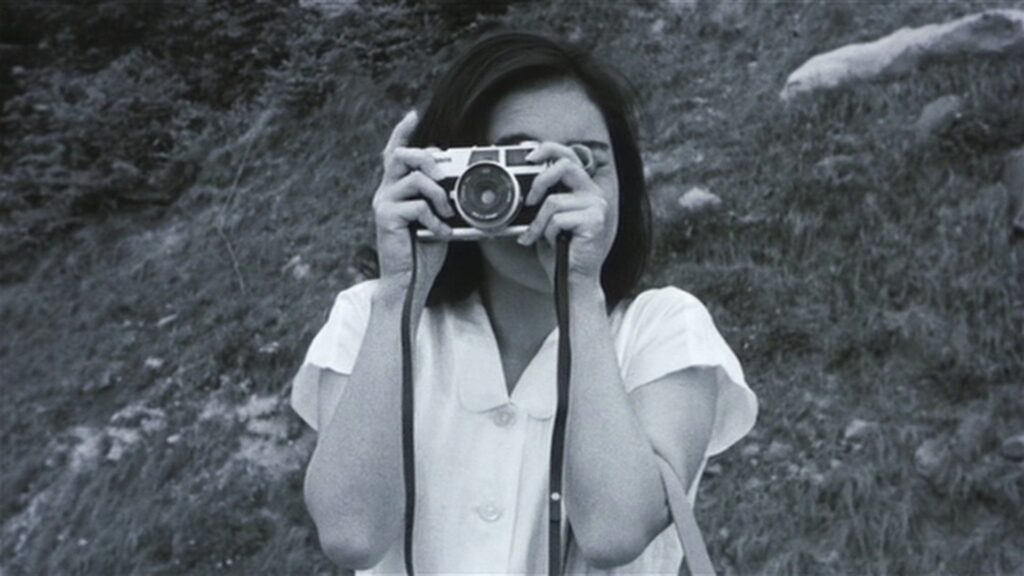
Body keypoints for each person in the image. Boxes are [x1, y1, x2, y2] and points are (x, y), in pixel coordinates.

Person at [291, 31, 758, 574]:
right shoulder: (369, 317)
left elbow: (614, 531)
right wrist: (399, 293)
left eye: (584, 163)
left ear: (623, 185)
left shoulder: (666, 330)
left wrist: (580, 289)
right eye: (516, 163)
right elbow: (350, 534)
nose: (554, 191)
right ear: (450, 176)